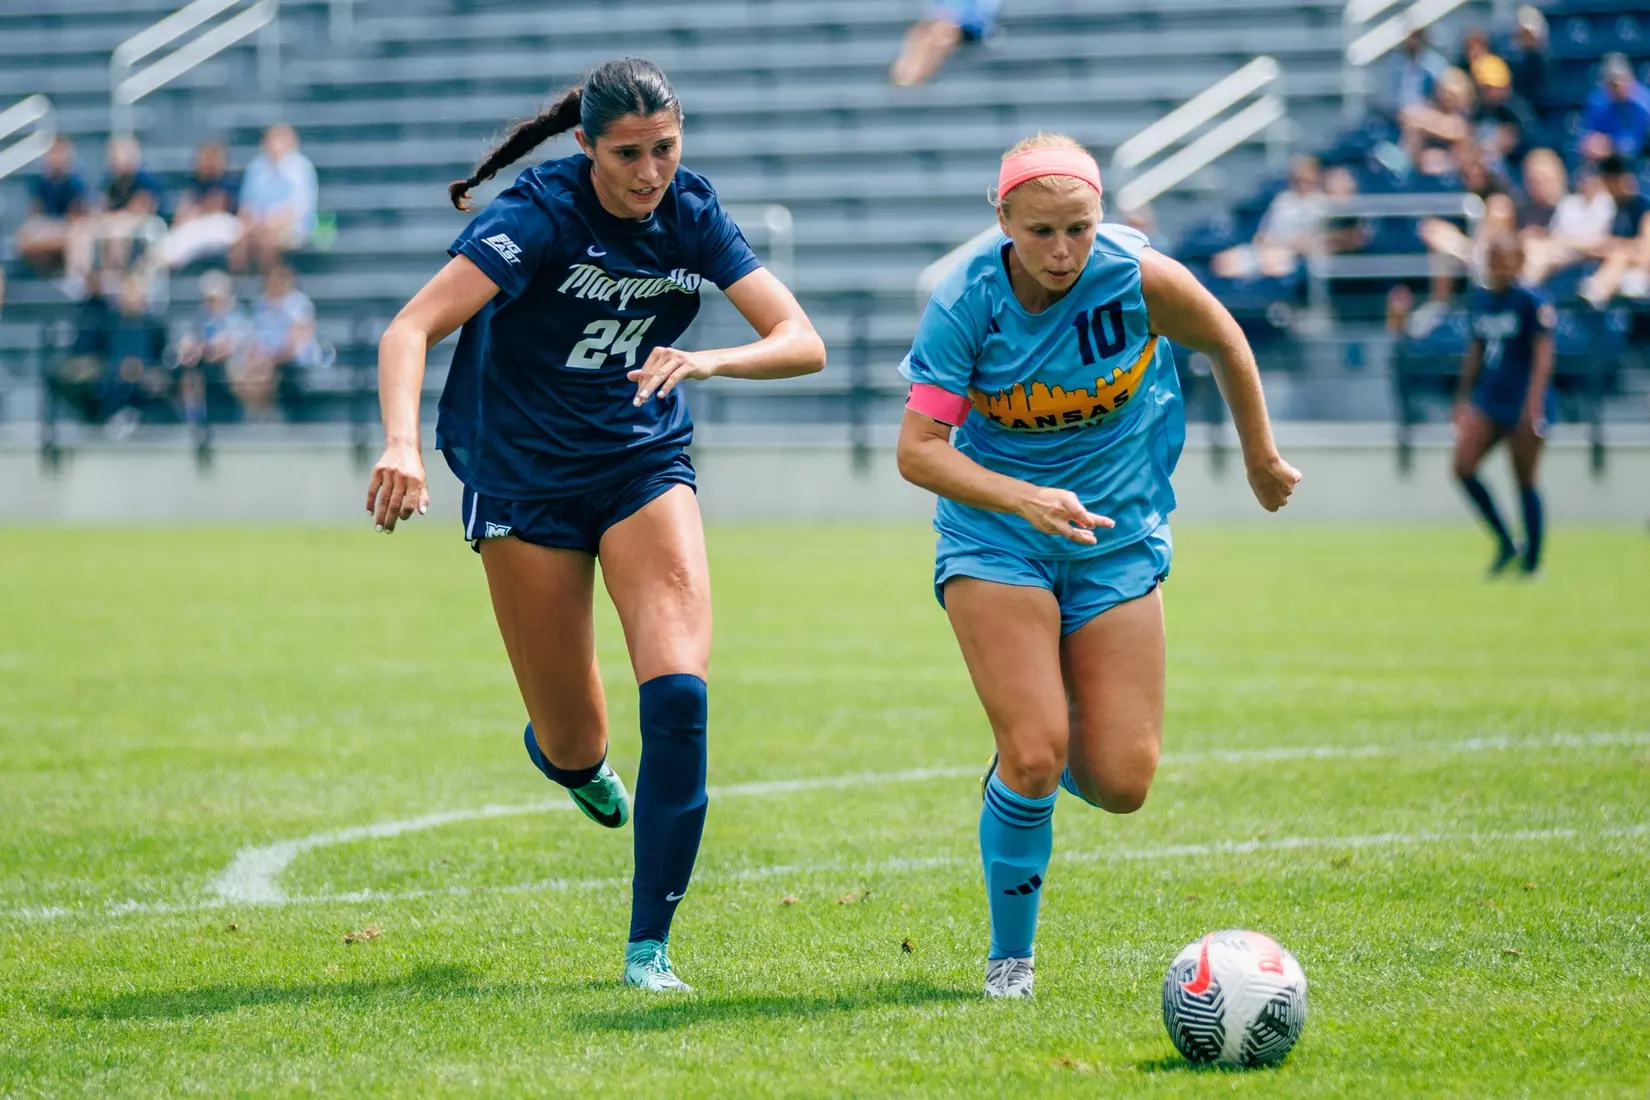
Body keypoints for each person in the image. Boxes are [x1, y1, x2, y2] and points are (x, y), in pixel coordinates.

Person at [363, 59, 825, 992]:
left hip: (640, 464)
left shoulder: (690, 213)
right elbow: (409, 329)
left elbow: (801, 341)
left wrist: (709, 362)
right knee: (577, 740)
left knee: (682, 698)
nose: (650, 171)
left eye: (665, 147)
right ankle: (568, 761)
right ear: (585, 145)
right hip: (523, 478)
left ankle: (648, 950)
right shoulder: (535, 217)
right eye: (628, 155)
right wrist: (401, 446)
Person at [894, 133, 1299, 999]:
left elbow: (1225, 338)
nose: (1062, 251)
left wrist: (1261, 457)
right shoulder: (965, 303)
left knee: (1122, 783)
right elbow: (919, 451)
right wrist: (1020, 497)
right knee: (1038, 755)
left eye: (1078, 228)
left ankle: (1017, 765)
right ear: (1000, 219)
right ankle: (1012, 962)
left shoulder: (1138, 276)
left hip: (1115, 540)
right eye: (1040, 231)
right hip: (996, 539)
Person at [1453, 234, 1555, 577]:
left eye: (1503, 260)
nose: (1497, 268)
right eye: (1492, 260)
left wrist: (1534, 403)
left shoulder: (1529, 300)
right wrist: (1464, 397)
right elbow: (1477, 351)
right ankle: (1506, 540)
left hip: (1522, 399)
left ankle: (1532, 561)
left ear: (1517, 262)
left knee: (1524, 478)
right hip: (1490, 397)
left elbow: (1543, 354)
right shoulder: (1481, 300)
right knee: (1463, 467)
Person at [1210, 155, 1324, 279]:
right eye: (1298, 178)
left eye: (1305, 178)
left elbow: (1313, 241)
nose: (1301, 181)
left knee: (1271, 265)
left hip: (1292, 254)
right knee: (1223, 262)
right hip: (1265, 248)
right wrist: (1263, 243)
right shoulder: (1283, 200)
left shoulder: (1320, 204)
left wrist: (1283, 246)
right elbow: (1264, 231)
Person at [237, 265, 321, 419]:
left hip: (292, 358)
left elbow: (296, 340)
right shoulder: (260, 304)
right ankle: (259, 413)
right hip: (265, 359)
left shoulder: (298, 303)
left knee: (261, 371)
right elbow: (253, 337)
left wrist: (269, 358)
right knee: (245, 368)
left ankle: (263, 415)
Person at [233, 124, 318, 273]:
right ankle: (239, 281)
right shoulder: (256, 167)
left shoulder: (302, 168)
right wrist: (250, 225)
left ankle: (270, 287)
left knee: (269, 240)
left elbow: (299, 209)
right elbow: (246, 205)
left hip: (293, 225)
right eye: (272, 139)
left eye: (281, 139)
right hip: (258, 223)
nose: (275, 144)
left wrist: (267, 224)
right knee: (239, 238)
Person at [1521, 154, 1615, 285]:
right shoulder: (1567, 204)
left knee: (1540, 254)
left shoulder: (1603, 203)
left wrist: (1562, 241)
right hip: (1561, 251)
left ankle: (1525, 289)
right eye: (1584, 179)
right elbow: (1555, 233)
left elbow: (1599, 240)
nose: (1586, 183)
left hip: (1583, 256)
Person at [173, 269, 249, 427]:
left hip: (232, 365)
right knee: (190, 372)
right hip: (205, 364)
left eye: (217, 299)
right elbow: (188, 343)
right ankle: (193, 419)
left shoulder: (237, 317)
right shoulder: (200, 318)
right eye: (209, 299)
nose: (213, 303)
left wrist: (204, 348)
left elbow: (229, 346)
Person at [154, 140, 242, 272]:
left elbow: (218, 206)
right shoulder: (196, 184)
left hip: (225, 225)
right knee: (165, 244)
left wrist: (197, 211)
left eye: (211, 157)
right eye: (203, 158)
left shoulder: (229, 182)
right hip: (197, 225)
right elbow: (181, 215)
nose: (206, 162)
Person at [1579, 154, 1650, 307]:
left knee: (1619, 257)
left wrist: (1618, 247)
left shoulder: (1643, 207)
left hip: (1639, 268)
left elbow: (1645, 252)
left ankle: (1596, 292)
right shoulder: (1611, 207)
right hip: (1618, 263)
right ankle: (1595, 292)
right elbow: (1596, 245)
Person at [14, 136, 89, 276]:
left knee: (78, 235)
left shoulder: (76, 182)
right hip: (47, 226)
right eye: (52, 154)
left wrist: (55, 229)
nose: (55, 158)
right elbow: (36, 211)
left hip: (68, 227)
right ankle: (33, 274)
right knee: (23, 235)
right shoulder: (40, 182)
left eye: (59, 153)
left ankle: (75, 278)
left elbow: (77, 216)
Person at [890, 0, 1001, 88]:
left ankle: (912, 75)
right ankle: (909, 74)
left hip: (965, 23)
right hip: (951, 21)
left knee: (936, 35)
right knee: (924, 35)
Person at [1580, 54, 1650, 163]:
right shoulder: (1597, 102)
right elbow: (1589, 133)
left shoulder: (1643, 103)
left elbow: (1636, 143)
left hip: (1639, 158)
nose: (1617, 88)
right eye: (1611, 84)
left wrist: (1612, 145)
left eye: (1620, 82)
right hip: (1605, 159)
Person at [1386, 28, 1448, 116]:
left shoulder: (1434, 63)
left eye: (1414, 38)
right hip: (1402, 116)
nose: (1410, 42)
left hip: (1428, 115)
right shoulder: (1398, 63)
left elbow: (1441, 94)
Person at [1507, 5, 1549, 106]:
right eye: (1523, 34)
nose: (1527, 38)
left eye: (1529, 34)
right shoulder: (1512, 62)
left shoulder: (1545, 62)